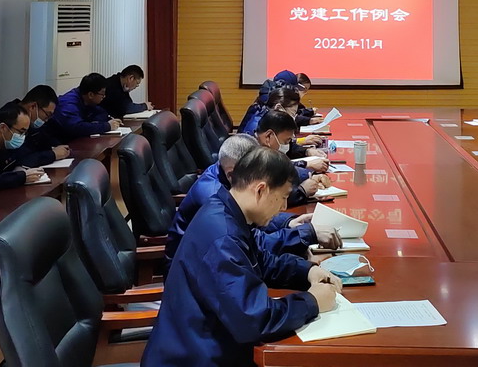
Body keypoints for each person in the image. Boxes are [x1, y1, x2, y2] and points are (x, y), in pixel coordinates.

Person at [141, 147, 341, 366]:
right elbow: (254, 320)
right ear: (261, 190)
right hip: (194, 358)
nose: (284, 206)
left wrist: (307, 271)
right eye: (283, 197)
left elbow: (260, 261)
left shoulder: (225, 209)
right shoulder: (222, 238)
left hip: (207, 343)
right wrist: (312, 302)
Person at [165, 134, 341, 274]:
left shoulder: (227, 180)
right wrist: (304, 235)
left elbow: (253, 242)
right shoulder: (213, 197)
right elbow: (254, 243)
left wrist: (288, 223)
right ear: (233, 174)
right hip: (194, 274)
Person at [254, 110, 330, 206]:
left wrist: (309, 176)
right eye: (286, 142)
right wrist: (302, 191)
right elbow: (269, 197)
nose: (287, 146)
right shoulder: (252, 156)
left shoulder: (263, 148)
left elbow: (282, 170)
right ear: (269, 136)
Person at [0, 85, 70, 167]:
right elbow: (20, 159)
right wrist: (52, 154)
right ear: (33, 107)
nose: (47, 119)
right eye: (47, 114)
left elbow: (43, 139)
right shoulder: (9, 118)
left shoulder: (30, 122)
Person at [243, 87, 328, 159]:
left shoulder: (272, 118)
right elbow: (270, 164)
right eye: (293, 113)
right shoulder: (259, 126)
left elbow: (287, 147)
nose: (294, 118)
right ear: (279, 107)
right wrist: (305, 165)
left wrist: (307, 151)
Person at [43, 73, 121, 142]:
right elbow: (77, 128)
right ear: (91, 95)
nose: (104, 97)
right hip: (55, 141)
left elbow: (101, 113)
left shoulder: (87, 100)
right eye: (102, 94)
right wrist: (107, 126)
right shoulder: (69, 103)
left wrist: (108, 120)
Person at [0, 105, 44, 193]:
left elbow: (25, 157)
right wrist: (21, 177)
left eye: (25, 133)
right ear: (3, 128)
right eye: (21, 132)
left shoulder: (8, 143)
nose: (22, 137)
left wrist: (20, 169)